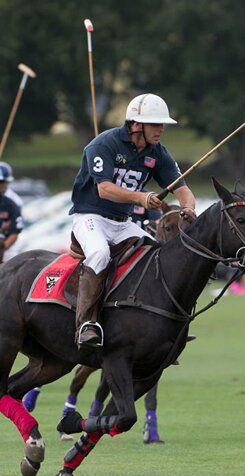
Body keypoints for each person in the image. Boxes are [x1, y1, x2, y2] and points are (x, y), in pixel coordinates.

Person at [69, 93, 196, 349]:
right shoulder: (104, 144)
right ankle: (86, 324)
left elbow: (182, 189)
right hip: (90, 216)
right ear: (136, 124)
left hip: (122, 222)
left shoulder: (157, 153)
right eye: (155, 124)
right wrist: (141, 197)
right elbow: (105, 189)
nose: (161, 130)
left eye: (162, 125)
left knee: (158, 256)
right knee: (99, 254)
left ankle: (157, 325)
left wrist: (189, 208)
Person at [0, 163, 24, 264]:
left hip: (7, 247)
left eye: (3, 182)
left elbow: (14, 232)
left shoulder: (13, 202)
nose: (2, 185)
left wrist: (3, 248)